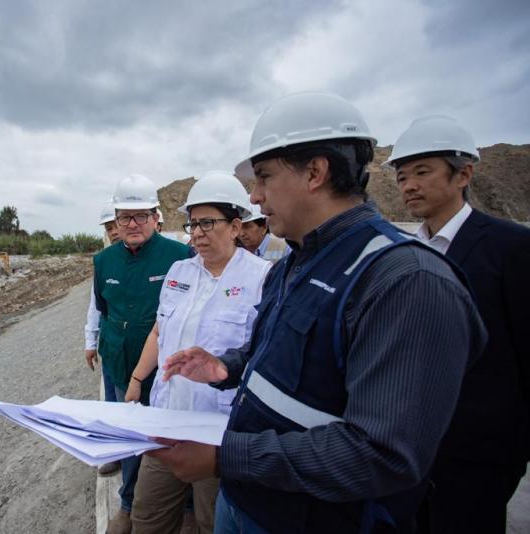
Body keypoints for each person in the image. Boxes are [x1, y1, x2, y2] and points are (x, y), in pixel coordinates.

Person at [151, 92, 487, 533]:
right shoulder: (291, 265)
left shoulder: (406, 281)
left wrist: (222, 456)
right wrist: (226, 367)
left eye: (264, 177)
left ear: (315, 172)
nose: (255, 195)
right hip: (246, 500)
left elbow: (382, 454)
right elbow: (275, 355)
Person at [385, 115, 530, 534]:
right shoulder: (405, 251)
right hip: (411, 445)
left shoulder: (510, 248)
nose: (408, 185)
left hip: (480, 450)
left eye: (422, 172)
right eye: (402, 176)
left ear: (463, 174)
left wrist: (513, 444)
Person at [125, 171, 272, 534]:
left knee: (213, 522)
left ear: (237, 226)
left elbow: (264, 357)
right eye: (193, 224)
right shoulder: (179, 272)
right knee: (147, 518)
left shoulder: (263, 278)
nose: (197, 233)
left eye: (208, 223)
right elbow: (160, 331)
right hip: (165, 422)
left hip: (218, 434)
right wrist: (136, 379)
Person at [91, 173, 191, 534]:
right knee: (131, 438)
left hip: (168, 370)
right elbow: (105, 309)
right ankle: (129, 505)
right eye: (124, 217)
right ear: (116, 221)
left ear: (155, 216)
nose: (132, 224)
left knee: (174, 436)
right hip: (122, 366)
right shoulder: (103, 263)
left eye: (140, 216)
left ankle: (187, 507)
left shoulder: (181, 256)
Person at [84, 200, 123, 476]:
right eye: (109, 228)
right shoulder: (104, 262)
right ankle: (117, 452)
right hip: (110, 345)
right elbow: (95, 305)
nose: (113, 232)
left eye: (114, 225)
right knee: (111, 401)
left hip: (140, 346)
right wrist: (90, 341)